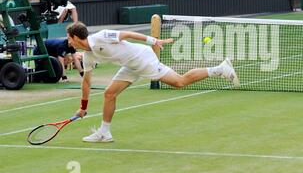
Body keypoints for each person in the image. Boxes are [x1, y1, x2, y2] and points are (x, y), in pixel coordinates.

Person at [67, 22, 239, 142]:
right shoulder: (88, 56)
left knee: (179, 82)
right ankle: (105, 133)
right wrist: (83, 107)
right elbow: (87, 82)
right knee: (109, 94)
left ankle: (220, 69)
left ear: (76, 37)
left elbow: (127, 34)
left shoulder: (101, 36)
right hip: (130, 65)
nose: (68, 42)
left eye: (69, 38)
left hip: (142, 60)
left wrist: (154, 41)